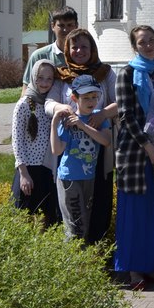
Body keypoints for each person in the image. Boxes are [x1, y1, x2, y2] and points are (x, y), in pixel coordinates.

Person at [114, 25, 154, 291]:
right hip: (134, 154)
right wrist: (148, 148)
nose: (148, 45)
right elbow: (126, 115)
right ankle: (135, 269)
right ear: (134, 46)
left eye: (151, 40)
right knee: (135, 212)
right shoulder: (126, 74)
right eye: (142, 42)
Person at [46, 28, 118, 245]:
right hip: (71, 144)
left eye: (84, 46)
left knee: (98, 199)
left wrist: (103, 113)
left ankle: (97, 248)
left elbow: (120, 101)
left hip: (98, 145)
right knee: (73, 206)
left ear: (92, 48)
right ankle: (77, 250)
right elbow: (49, 102)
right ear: (67, 49)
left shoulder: (105, 72)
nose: (79, 50)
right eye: (74, 46)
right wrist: (64, 110)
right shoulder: (62, 74)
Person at [50, 74, 112, 241]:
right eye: (86, 98)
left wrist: (82, 125)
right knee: (75, 226)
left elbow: (106, 140)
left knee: (84, 222)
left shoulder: (98, 118)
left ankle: (80, 261)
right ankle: (74, 263)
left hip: (89, 178)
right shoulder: (68, 121)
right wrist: (55, 122)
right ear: (74, 98)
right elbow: (57, 150)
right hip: (70, 179)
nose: (91, 101)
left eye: (94, 97)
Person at [11, 59, 61, 225]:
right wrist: (23, 174)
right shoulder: (24, 104)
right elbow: (17, 141)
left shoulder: (50, 105)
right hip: (28, 170)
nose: (44, 83)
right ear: (33, 78)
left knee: (46, 218)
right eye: (40, 78)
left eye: (49, 79)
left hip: (47, 169)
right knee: (24, 216)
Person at [22, 6, 78, 85]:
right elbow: (27, 89)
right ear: (53, 26)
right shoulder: (39, 56)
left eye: (69, 25)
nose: (65, 30)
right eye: (61, 25)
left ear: (76, 26)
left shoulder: (84, 55)